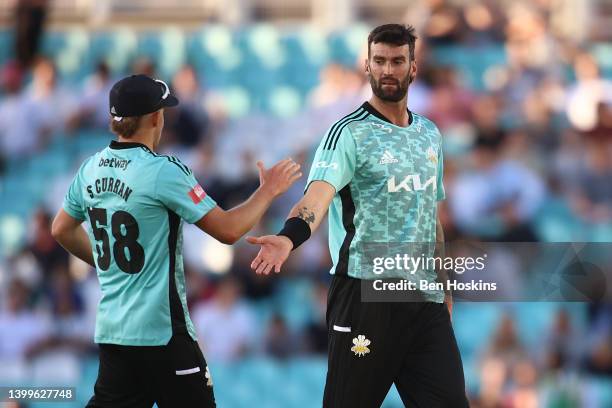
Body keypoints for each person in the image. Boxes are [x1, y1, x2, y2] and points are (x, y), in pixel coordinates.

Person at [247, 24, 469, 407]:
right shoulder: (347, 133)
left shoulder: (430, 135)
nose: (388, 70)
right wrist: (289, 236)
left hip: (423, 299)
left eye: (397, 61)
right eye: (379, 61)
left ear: (413, 68)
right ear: (367, 67)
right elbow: (316, 198)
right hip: (365, 295)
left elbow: (430, 217)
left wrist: (444, 286)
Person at [51, 74, 301, 407]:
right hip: (162, 331)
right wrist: (268, 190)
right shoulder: (163, 170)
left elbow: (61, 229)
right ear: (155, 117)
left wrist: (105, 262)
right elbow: (228, 230)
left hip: (114, 330)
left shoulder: (90, 168)